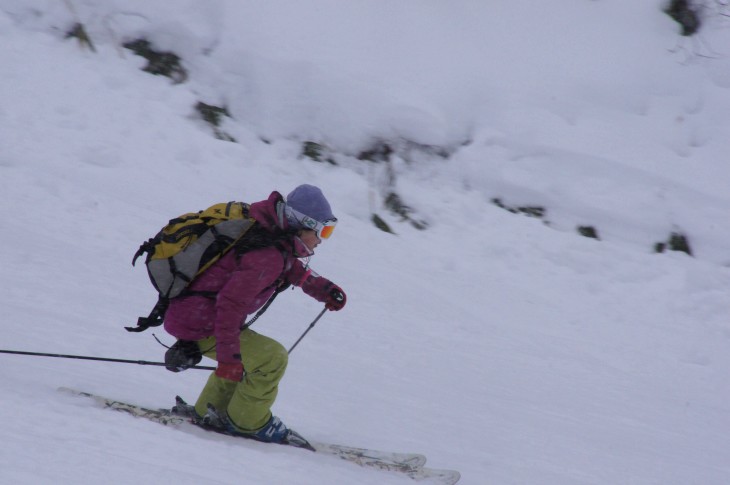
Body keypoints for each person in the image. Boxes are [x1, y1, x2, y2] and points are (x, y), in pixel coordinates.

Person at [162, 184, 346, 443]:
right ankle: (248, 422)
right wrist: (228, 360)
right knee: (271, 359)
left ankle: (209, 410)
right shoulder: (268, 253)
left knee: (246, 356)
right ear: (300, 224)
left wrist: (321, 287)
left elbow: (285, 264)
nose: (321, 239)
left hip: (192, 313)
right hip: (203, 322)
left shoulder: (267, 231)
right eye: (322, 230)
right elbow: (230, 305)